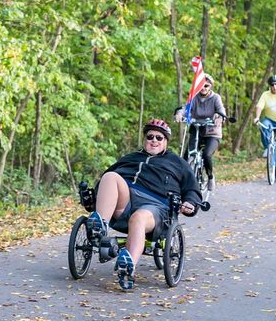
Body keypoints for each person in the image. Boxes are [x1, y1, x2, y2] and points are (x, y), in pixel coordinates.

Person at [84, 119, 202, 290]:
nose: (154, 140)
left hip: (156, 206)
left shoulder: (177, 163)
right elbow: (104, 186)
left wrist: (190, 203)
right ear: (145, 139)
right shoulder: (130, 158)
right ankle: (99, 226)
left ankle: (128, 265)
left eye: (159, 138)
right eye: (150, 136)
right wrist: (92, 200)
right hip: (125, 201)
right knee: (110, 176)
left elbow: (192, 189)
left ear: (166, 142)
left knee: (138, 218)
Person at [173, 73, 226, 193]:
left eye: (206, 86)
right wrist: (179, 114)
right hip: (196, 130)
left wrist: (220, 117)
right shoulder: (194, 97)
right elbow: (185, 109)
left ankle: (210, 176)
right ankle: (183, 182)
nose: (203, 88)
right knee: (186, 157)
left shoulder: (215, 97)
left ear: (211, 86)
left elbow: (221, 110)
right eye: (201, 85)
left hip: (211, 132)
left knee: (206, 154)